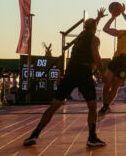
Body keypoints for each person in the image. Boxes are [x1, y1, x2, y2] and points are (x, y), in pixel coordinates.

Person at [24, 8, 107, 147]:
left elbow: (91, 27)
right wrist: (102, 72)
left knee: (54, 105)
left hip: (71, 72)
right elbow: (96, 55)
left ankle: (34, 134)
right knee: (92, 107)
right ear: (95, 28)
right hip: (84, 71)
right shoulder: (94, 39)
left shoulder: (81, 35)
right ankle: (92, 137)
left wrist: (97, 18)